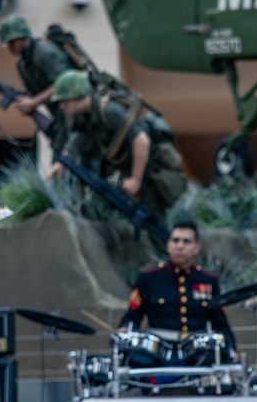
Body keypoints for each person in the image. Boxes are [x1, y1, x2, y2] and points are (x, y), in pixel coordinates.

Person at [50, 69, 187, 217]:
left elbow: (141, 140)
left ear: (77, 96)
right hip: (121, 166)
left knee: (152, 216)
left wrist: (135, 179)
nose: (62, 106)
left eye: (64, 101)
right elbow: (76, 143)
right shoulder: (82, 117)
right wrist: (60, 163)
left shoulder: (109, 110)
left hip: (146, 166)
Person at [119, 220, 237, 372]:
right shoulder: (149, 278)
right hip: (158, 354)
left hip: (197, 353)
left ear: (196, 248)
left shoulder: (207, 280)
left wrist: (233, 347)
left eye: (186, 241)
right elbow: (132, 316)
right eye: (176, 240)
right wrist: (123, 332)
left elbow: (219, 322)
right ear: (168, 245)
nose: (180, 246)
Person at [0, 15, 74, 172]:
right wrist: (2, 89)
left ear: (22, 37)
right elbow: (34, 93)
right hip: (61, 122)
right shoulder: (23, 64)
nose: (9, 47)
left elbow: (64, 86)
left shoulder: (45, 53)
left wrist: (34, 103)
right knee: (60, 168)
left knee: (67, 167)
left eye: (11, 42)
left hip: (78, 119)